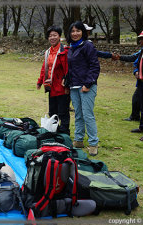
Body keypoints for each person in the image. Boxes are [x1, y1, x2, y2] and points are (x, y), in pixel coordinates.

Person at [66, 21, 100, 156]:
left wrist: (88, 83)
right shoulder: (71, 47)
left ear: (83, 32)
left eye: (78, 31)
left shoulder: (87, 46)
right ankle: (79, 139)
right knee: (78, 114)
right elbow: (71, 67)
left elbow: (94, 66)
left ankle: (93, 143)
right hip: (74, 86)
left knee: (87, 114)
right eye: (73, 31)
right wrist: (67, 81)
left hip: (86, 86)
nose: (75, 34)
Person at [37, 26, 70, 135]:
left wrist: (67, 85)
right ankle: (54, 131)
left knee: (63, 112)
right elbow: (44, 68)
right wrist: (39, 81)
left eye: (55, 35)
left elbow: (67, 69)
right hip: (51, 87)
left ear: (59, 36)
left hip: (61, 87)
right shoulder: (48, 52)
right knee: (52, 111)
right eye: (50, 36)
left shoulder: (64, 51)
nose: (52, 38)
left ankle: (65, 133)